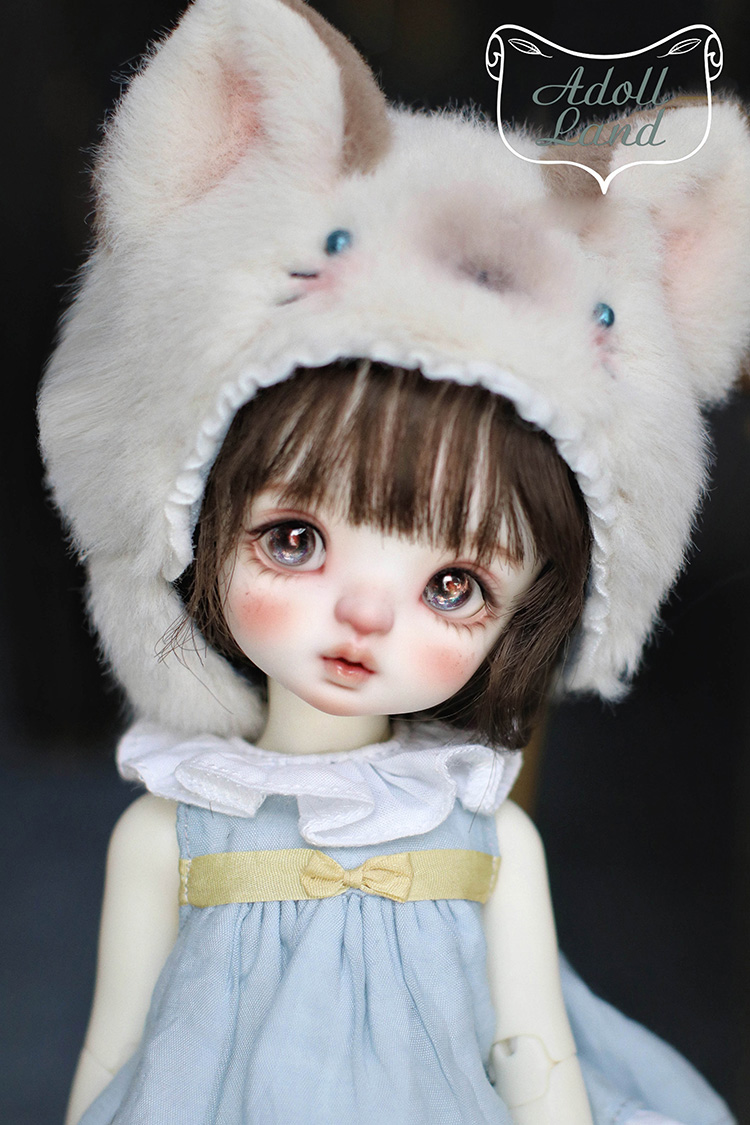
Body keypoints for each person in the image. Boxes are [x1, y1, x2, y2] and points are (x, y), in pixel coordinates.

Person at [38, 0, 750, 1122]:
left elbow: (535, 1053)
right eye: (296, 540)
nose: (365, 613)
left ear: (528, 609)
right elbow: (114, 1052)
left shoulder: (486, 833)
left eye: (452, 587)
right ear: (191, 517)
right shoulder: (169, 827)